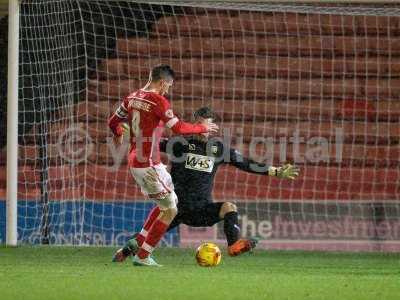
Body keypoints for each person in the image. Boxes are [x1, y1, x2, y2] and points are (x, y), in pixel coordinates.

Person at [112, 107, 299, 262]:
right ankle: (123, 253)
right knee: (143, 238)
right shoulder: (180, 143)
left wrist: (275, 171)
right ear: (195, 125)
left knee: (229, 207)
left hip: (202, 209)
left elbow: (245, 163)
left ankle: (233, 245)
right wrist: (132, 133)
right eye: (200, 124)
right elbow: (151, 143)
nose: (204, 128)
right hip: (176, 208)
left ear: (213, 127)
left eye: (207, 125)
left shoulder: (218, 149)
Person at [108, 66, 218, 267]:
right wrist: (203, 127)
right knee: (170, 211)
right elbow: (178, 128)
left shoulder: (131, 97)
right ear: (162, 82)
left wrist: (118, 132)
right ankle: (143, 256)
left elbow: (113, 121)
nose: (168, 89)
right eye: (168, 85)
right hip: (147, 163)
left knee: (168, 203)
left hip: (139, 160)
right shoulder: (158, 100)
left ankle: (138, 241)